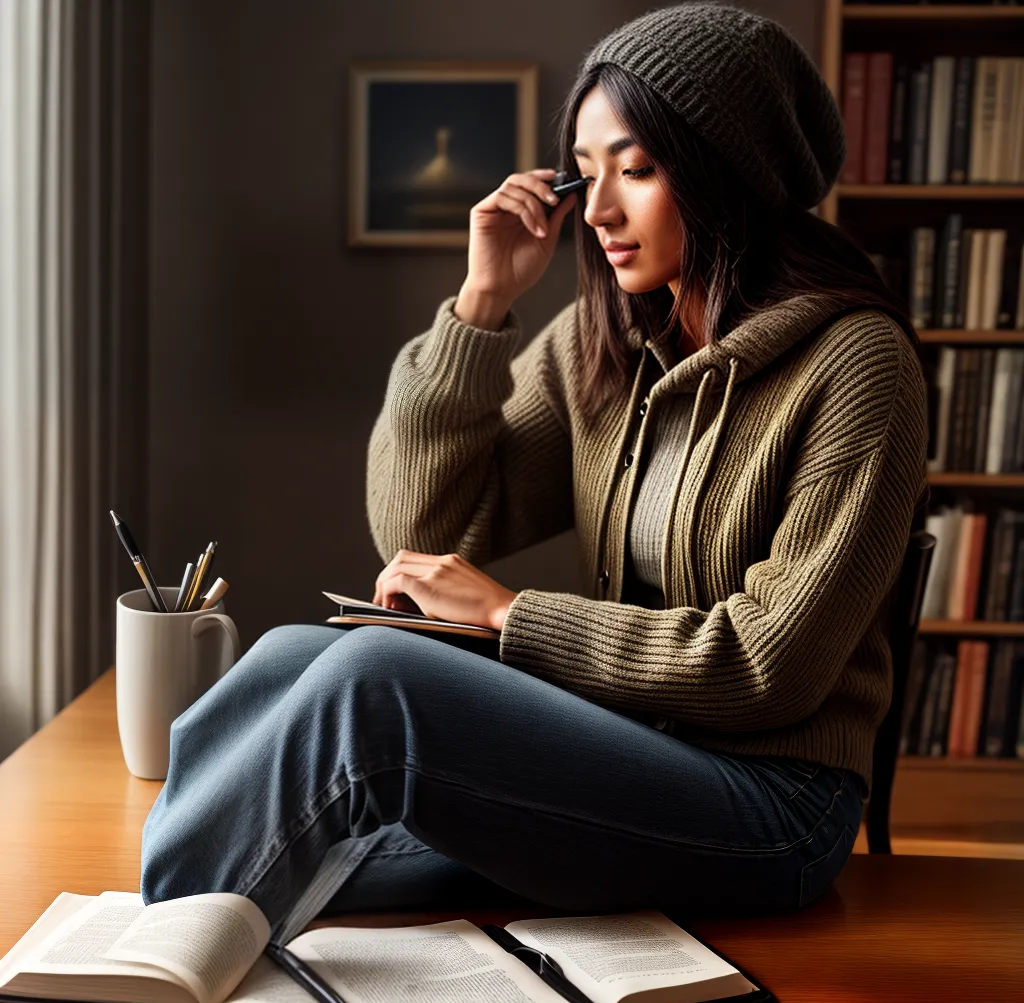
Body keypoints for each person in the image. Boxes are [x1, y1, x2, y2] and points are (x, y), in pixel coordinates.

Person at [141, 2, 929, 943]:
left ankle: (161, 950)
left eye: (636, 170)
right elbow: (426, 535)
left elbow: (770, 668)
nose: (597, 212)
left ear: (732, 172)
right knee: (286, 661)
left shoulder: (859, 367)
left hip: (772, 802)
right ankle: (161, 922)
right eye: (586, 175)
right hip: (634, 749)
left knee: (371, 688)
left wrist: (511, 615)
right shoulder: (605, 348)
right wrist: (480, 307)